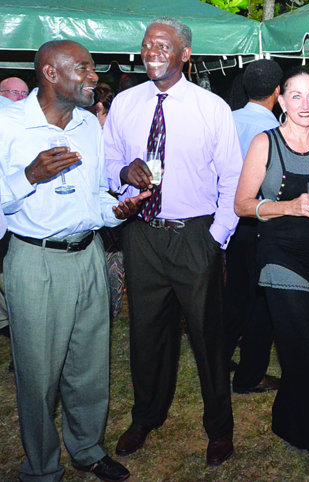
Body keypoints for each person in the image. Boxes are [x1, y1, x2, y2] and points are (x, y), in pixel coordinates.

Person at [0, 40, 150, 482]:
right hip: (36, 261)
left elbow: (94, 196)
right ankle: (42, 468)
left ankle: (87, 449)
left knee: (89, 368)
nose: (92, 77)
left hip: (88, 255)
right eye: (83, 68)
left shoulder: (87, 125)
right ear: (50, 74)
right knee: (39, 376)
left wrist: (116, 210)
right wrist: (28, 176)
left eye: (92, 69)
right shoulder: (7, 124)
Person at [104, 17, 242, 467]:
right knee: (146, 334)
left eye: (163, 45)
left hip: (193, 236)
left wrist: (216, 238)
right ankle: (146, 416)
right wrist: (124, 174)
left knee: (208, 337)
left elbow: (232, 177)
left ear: (185, 53)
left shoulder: (211, 107)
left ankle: (219, 427)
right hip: (142, 234)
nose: (152, 51)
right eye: (147, 45)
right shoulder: (125, 103)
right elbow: (108, 162)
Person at [234, 66, 309, 475]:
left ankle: (286, 420)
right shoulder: (266, 143)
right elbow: (243, 204)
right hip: (280, 258)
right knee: (303, 353)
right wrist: (292, 206)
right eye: (295, 95)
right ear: (280, 100)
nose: (305, 103)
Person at [226, 58, 283, 395]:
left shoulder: (226, 120)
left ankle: (220, 360)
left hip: (229, 222)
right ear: (278, 91)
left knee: (234, 294)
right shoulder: (275, 130)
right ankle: (250, 375)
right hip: (261, 219)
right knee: (261, 301)